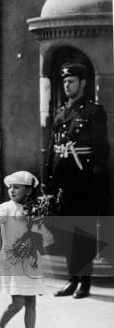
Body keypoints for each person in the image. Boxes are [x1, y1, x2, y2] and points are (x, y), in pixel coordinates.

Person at [45, 63, 109, 299]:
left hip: (84, 182)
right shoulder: (61, 112)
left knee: (85, 231)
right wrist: (48, 181)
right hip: (63, 182)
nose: (67, 85)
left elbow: (102, 150)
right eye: (64, 81)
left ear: (82, 83)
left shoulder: (93, 111)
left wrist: (97, 183)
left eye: (71, 81)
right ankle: (72, 280)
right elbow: (52, 149)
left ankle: (85, 282)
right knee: (68, 230)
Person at [0, 171, 52, 328]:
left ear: (29, 190)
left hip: (31, 260)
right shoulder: (6, 208)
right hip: (14, 261)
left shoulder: (35, 209)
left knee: (31, 301)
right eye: (10, 187)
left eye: (17, 187)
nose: (11, 190)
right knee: (18, 303)